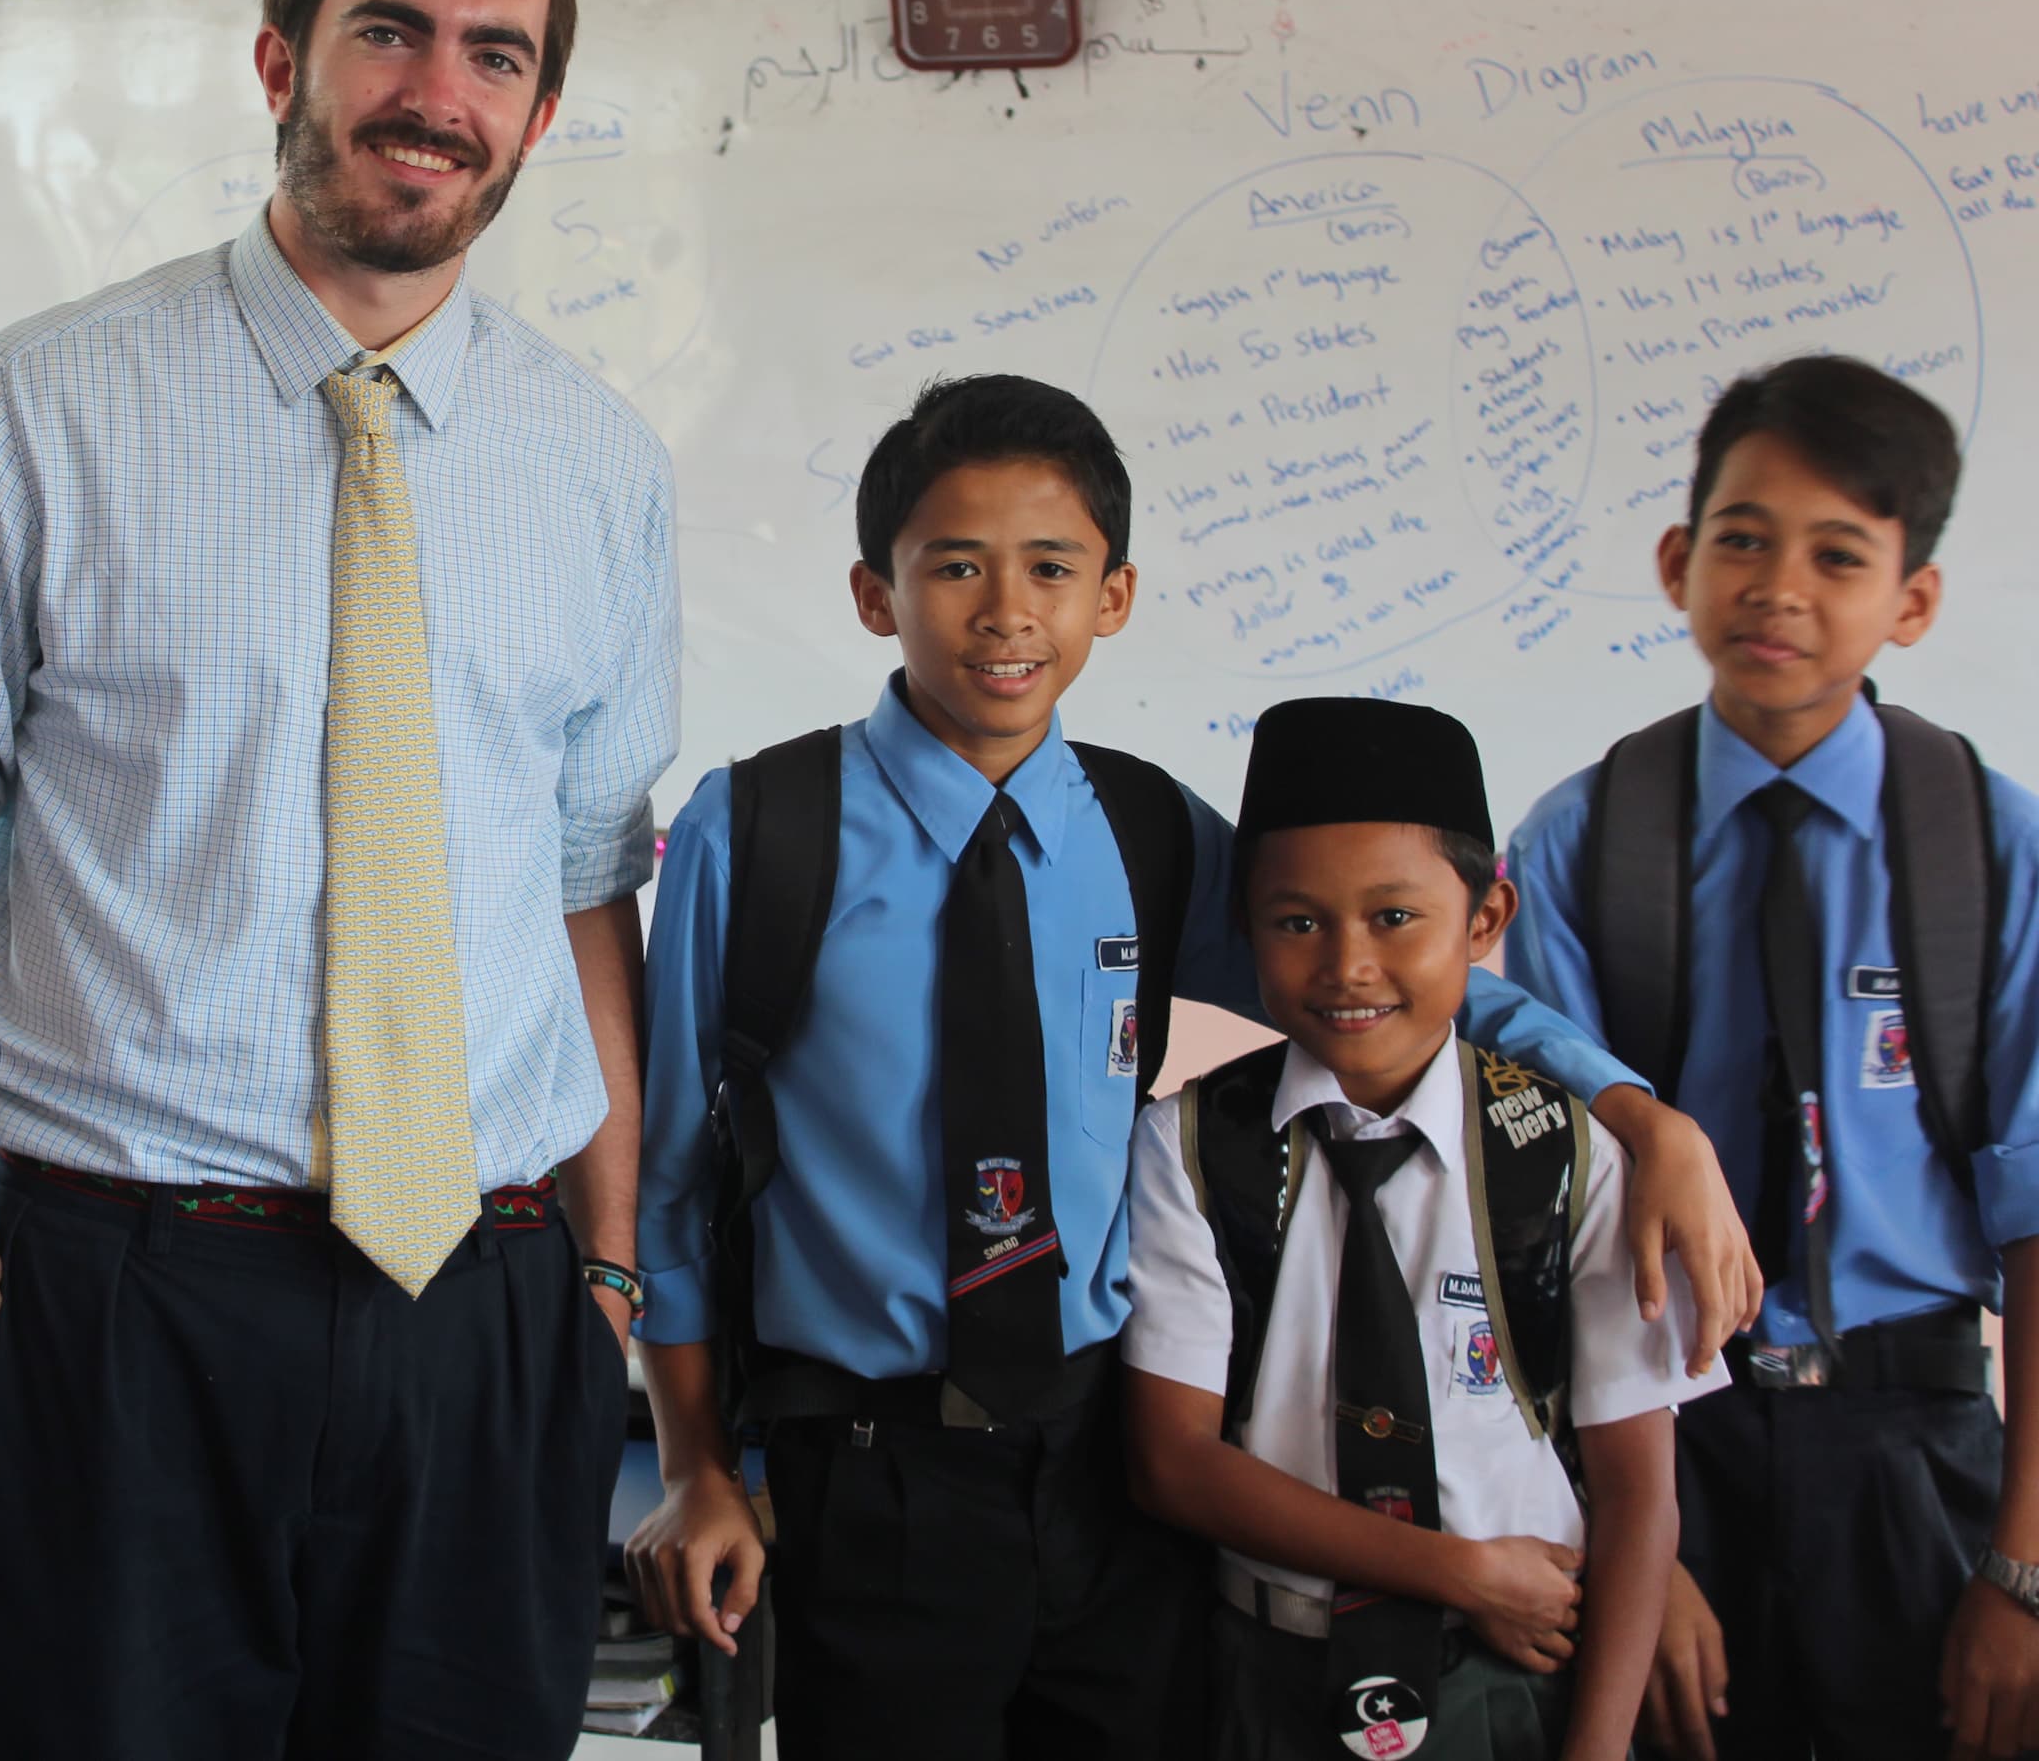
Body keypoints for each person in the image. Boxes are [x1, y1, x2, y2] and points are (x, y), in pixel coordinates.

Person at [0, 0, 678, 1758]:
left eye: (492, 55)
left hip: (490, 1293)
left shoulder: (599, 467)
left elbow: (582, 878)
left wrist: (608, 1266)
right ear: (281, 55)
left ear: (536, 112)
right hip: (123, 1292)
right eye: (388, 31)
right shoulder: (41, 409)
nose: (434, 93)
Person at [626, 374, 1760, 1760]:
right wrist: (693, 1464)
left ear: (1114, 595)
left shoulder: (1146, 829)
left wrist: (1641, 1114)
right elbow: (667, 1177)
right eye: (956, 565)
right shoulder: (760, 827)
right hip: (875, 1471)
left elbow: (1374, 980)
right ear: (876, 593)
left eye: (1053, 567)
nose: (1006, 611)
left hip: (1109, 1465)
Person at [1503, 355, 2039, 1761]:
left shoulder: (1990, 849)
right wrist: (1632, 1540)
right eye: (1741, 539)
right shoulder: (1580, 841)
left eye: (1837, 555)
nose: (1778, 588)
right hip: (1671, 1432)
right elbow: (1546, 1216)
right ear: (1677, 562)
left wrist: (2023, 1565)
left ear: (1912, 598)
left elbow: (2038, 1211)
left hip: (1916, 1438)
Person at [1126, 696, 1723, 1761]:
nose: (1347, 964)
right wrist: (1463, 1571)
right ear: (1245, 925)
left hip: (1509, 1683)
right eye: (1296, 922)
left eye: (1395, 917)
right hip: (1273, 1673)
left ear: (1486, 921)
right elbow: (1173, 1461)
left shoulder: (1570, 1153)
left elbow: (1639, 1495)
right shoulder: (1189, 1147)